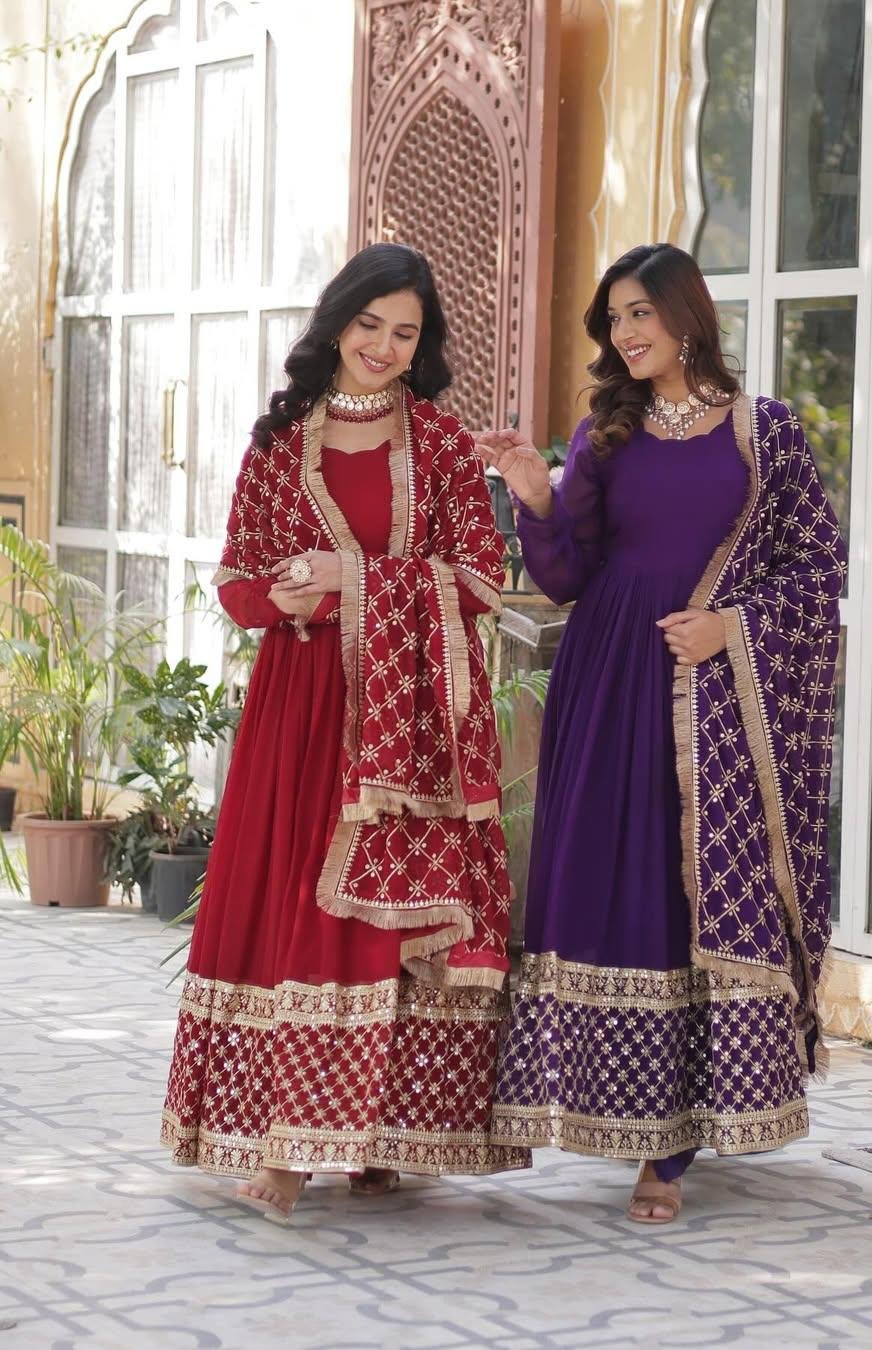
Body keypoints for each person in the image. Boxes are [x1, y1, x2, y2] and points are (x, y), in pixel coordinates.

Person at [160, 242, 528, 1221]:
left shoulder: (440, 444)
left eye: (405, 333)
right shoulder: (281, 442)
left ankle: (372, 1136)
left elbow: (482, 580)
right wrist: (286, 597)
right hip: (301, 707)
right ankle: (289, 1137)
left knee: (377, 918)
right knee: (299, 902)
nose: (384, 346)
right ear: (337, 324)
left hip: (407, 725)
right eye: (370, 324)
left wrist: (350, 578)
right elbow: (237, 580)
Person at [479, 243, 846, 1224]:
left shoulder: (765, 433)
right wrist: (535, 493)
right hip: (609, 683)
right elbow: (567, 575)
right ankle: (625, 1113)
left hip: (714, 701)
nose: (626, 333)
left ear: (688, 314)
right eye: (614, 318)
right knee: (613, 884)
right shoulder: (606, 433)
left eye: (640, 312)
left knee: (690, 897)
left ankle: (671, 1151)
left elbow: (820, 572)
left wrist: (733, 628)